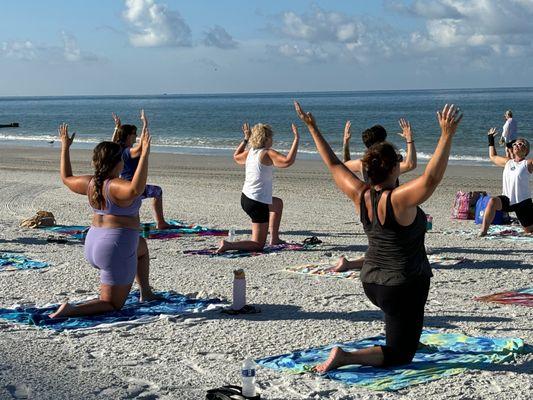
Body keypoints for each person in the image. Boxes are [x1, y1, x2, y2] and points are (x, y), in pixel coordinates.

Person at [295, 101, 462, 371]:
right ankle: (345, 356)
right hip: (402, 286)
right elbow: (431, 179)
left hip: (372, 282)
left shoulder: (360, 194)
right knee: (400, 355)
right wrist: (446, 135)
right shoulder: (398, 200)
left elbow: (333, 163)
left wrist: (312, 127)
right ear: (395, 169)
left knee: (400, 329)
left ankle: (398, 335)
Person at [50, 118, 159, 318]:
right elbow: (136, 189)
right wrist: (144, 155)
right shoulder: (115, 186)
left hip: (93, 243)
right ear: (119, 162)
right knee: (111, 304)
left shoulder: (90, 183)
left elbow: (66, 178)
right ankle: (71, 310)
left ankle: (147, 292)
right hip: (115, 247)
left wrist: (65, 147)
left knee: (141, 247)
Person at [336, 118, 417, 272]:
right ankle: (349, 264)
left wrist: (345, 142)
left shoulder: (362, 163)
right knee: (389, 249)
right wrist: (409, 140)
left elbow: (344, 165)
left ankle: (349, 264)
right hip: (388, 204)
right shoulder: (387, 163)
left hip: (367, 204)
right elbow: (411, 164)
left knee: (379, 244)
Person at [217, 122, 299, 253]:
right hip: (256, 203)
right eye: (271, 137)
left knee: (277, 204)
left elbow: (236, 156)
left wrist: (245, 139)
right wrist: (296, 139)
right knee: (258, 245)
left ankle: (275, 238)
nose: (272, 140)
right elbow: (288, 161)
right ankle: (228, 245)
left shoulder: (250, 152)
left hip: (246, 198)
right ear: (266, 139)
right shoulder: (267, 153)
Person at [112, 111, 171, 229]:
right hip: (133, 187)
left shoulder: (118, 148)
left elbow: (112, 142)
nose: (136, 136)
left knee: (134, 204)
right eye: (134, 134)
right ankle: (161, 222)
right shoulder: (129, 151)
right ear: (128, 136)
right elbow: (140, 147)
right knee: (157, 191)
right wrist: (145, 124)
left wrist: (117, 127)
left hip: (123, 186)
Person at [480, 130, 532, 236]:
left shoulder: (528, 163)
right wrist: (490, 138)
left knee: (529, 231)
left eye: (521, 144)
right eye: (515, 144)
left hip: (523, 202)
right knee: (492, 201)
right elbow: (492, 156)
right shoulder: (508, 162)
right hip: (507, 199)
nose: (517, 145)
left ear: (526, 150)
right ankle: (483, 231)